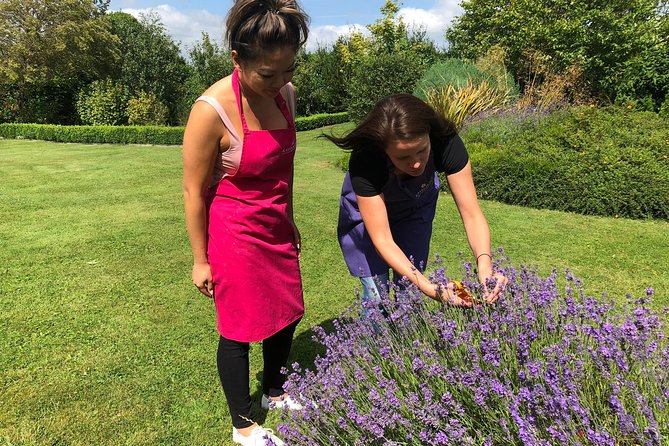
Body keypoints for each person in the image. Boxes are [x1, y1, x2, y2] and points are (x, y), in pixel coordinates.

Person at [182, 1, 309, 444]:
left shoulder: (287, 95)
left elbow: (285, 167)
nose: (280, 83)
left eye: (289, 69)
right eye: (267, 74)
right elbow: (194, 192)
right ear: (238, 59)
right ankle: (243, 424)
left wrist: (289, 218)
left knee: (287, 310)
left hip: (275, 222)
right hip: (233, 230)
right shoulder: (210, 111)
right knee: (237, 328)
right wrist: (201, 259)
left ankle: (275, 390)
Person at [326, 94, 508, 312]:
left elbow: (472, 214)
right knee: (376, 294)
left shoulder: (446, 142)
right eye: (403, 157)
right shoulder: (366, 160)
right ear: (384, 150)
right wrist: (432, 289)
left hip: (416, 207)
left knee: (409, 289)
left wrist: (485, 267)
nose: (416, 163)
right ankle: (376, 340)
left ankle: (404, 340)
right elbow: (382, 239)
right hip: (367, 218)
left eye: (422, 150)